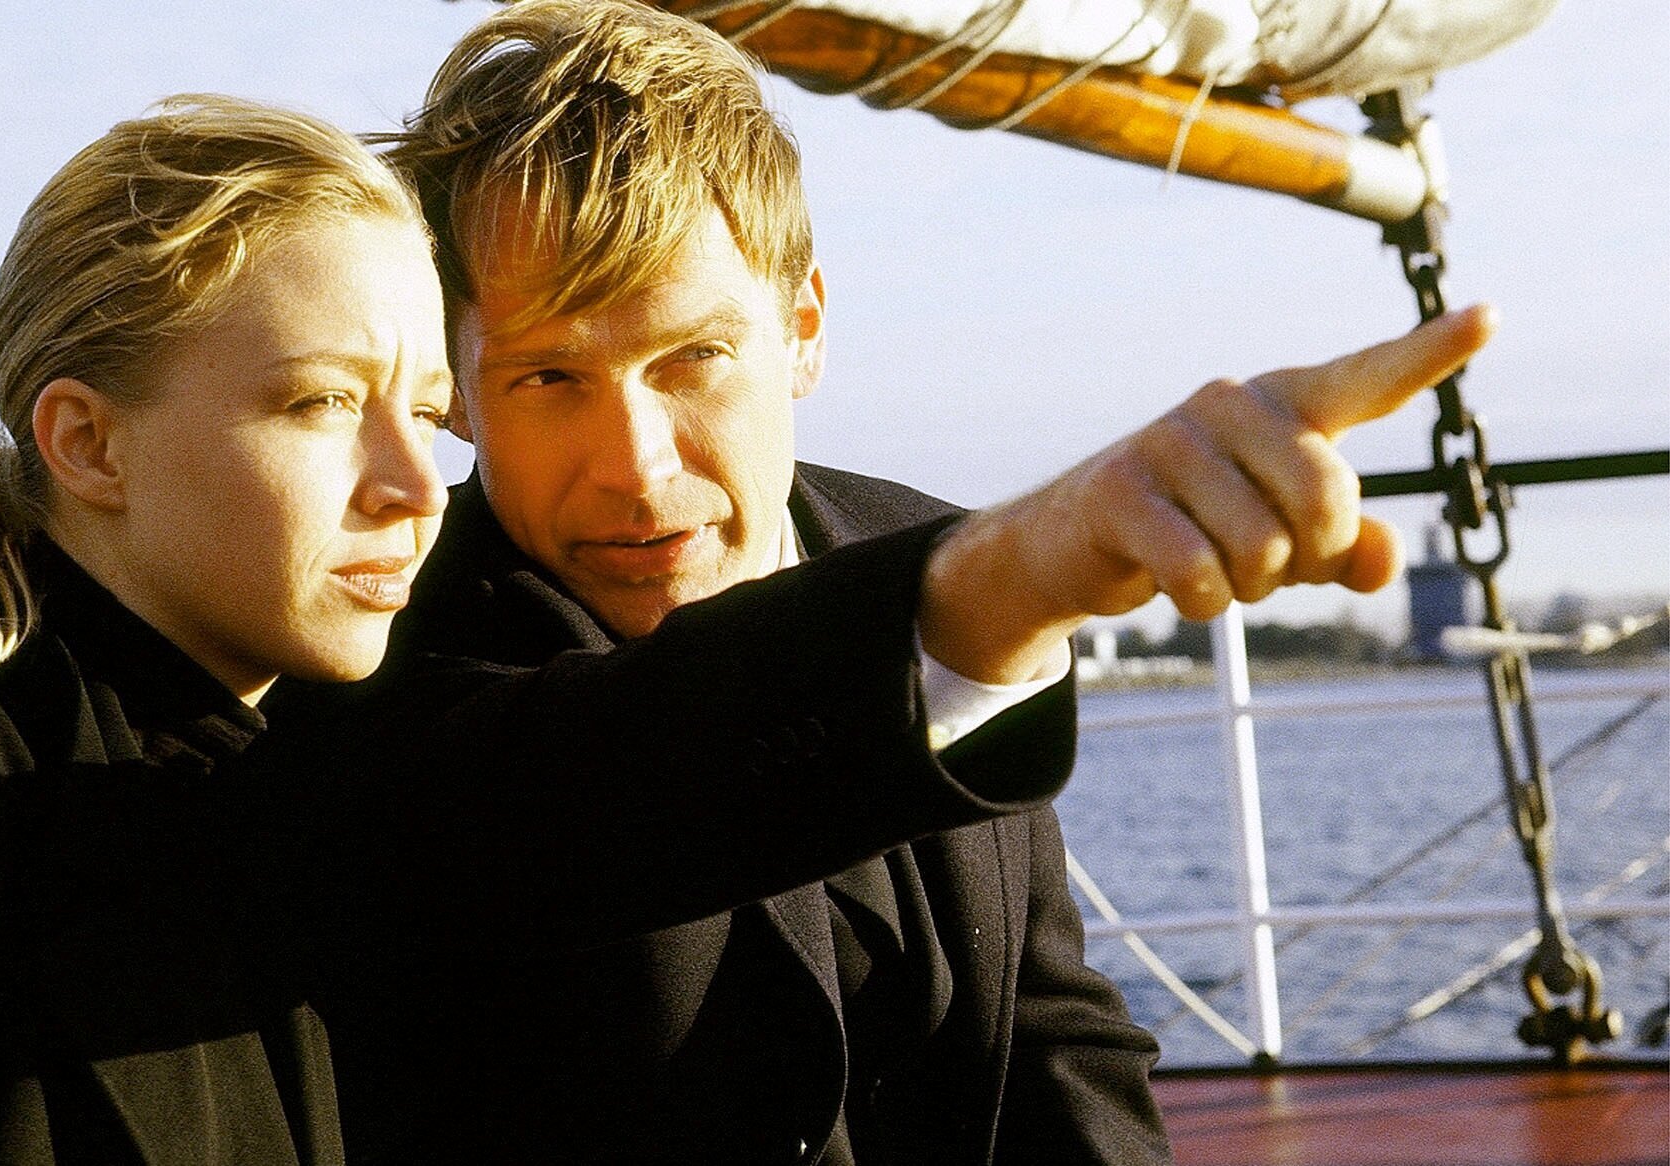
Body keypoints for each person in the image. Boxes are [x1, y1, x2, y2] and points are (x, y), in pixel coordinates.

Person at [0, 93, 1153, 1163]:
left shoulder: (242, 767)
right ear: (86, 440)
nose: (415, 484)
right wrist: (1019, 577)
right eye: (320, 404)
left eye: (422, 407)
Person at [323, 1, 1494, 1162]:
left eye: (694, 357)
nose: (635, 466)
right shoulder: (377, 649)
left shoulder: (920, 540)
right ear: (456, 390)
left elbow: (1046, 1029)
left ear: (803, 327)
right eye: (547, 378)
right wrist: (1013, 578)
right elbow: (580, 789)